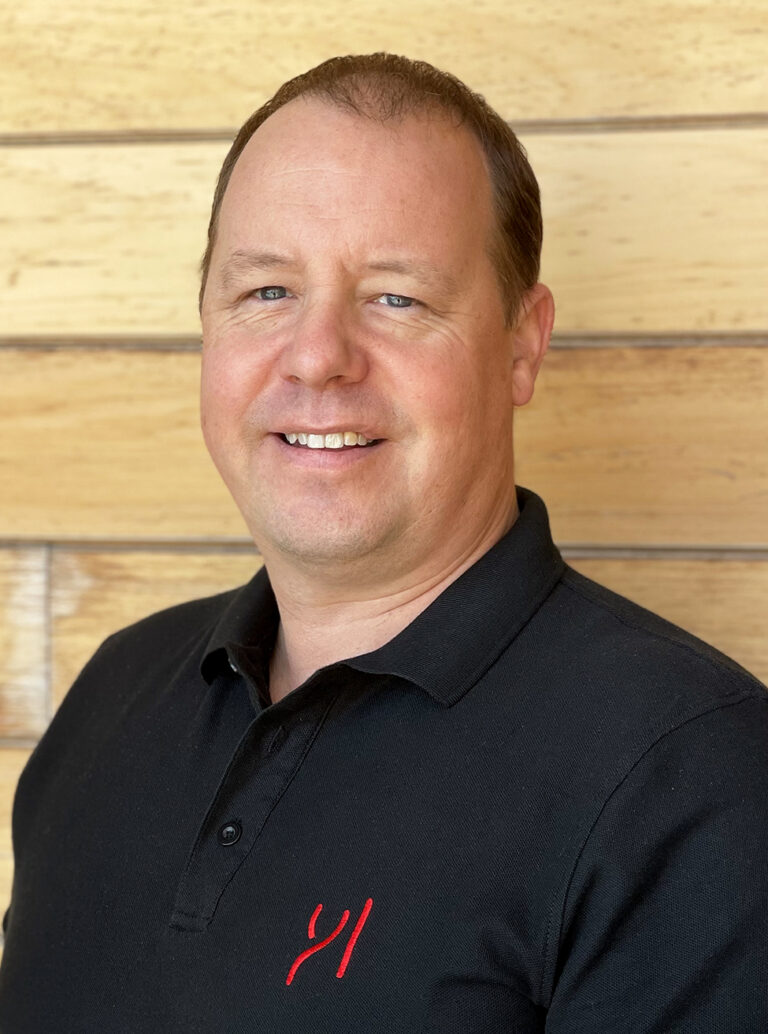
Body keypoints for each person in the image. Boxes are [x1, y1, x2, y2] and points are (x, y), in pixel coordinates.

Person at [1, 53, 766, 1033]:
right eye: (267, 291)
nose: (318, 356)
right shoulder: (115, 693)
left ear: (523, 344)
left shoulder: (689, 771)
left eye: (396, 298)